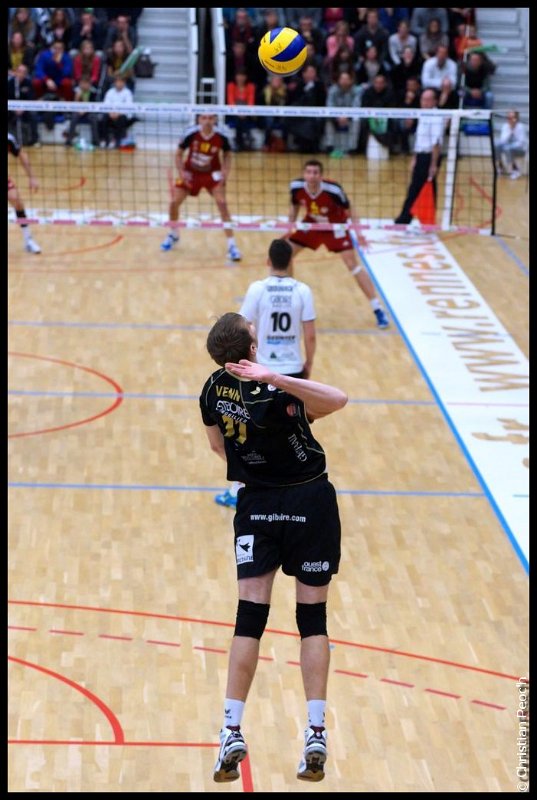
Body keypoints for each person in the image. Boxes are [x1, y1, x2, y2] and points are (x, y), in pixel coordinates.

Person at [200, 310, 348, 783]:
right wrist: (275, 377)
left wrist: (257, 462)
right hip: (309, 500)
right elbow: (338, 399)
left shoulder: (211, 390)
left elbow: (218, 447)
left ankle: (230, 729)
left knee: (249, 617)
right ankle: (316, 731)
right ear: (250, 348)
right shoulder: (280, 391)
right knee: (312, 619)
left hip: (257, 503)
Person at [214, 239, 317, 509]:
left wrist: (243, 364)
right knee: (292, 432)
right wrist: (308, 365)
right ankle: (292, 487)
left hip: (261, 371)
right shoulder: (302, 291)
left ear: (268, 261)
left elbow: (239, 330)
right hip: (292, 371)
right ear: (291, 262)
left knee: (249, 433)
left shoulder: (258, 289)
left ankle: (239, 490)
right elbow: (310, 335)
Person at [286, 160, 390, 329]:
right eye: (309, 172)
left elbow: (351, 211)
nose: (312, 176)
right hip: (313, 225)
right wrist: (289, 228)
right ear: (304, 174)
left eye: (315, 173)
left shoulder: (333, 190)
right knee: (286, 253)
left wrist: (359, 234)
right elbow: (294, 206)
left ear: (321, 175)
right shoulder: (296, 187)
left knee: (352, 264)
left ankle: (377, 308)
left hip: (336, 227)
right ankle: (290, 302)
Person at [160, 114, 242, 261]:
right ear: (199, 120)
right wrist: (182, 173)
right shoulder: (190, 133)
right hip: (190, 173)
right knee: (174, 202)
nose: (207, 121)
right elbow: (178, 155)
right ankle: (173, 233)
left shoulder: (222, 135)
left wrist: (225, 173)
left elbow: (228, 155)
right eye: (204, 118)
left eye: (210, 118)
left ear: (215, 119)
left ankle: (232, 245)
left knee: (222, 204)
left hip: (212, 174)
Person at [394, 87, 445, 225]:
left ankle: (406, 218)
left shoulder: (436, 117)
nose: (425, 102)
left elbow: (436, 143)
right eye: (423, 99)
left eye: (428, 99)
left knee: (418, 188)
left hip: (429, 157)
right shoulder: (422, 114)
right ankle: (424, 219)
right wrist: (415, 158)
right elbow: (420, 140)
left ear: (435, 101)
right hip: (421, 156)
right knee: (421, 187)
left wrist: (434, 164)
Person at [8, 131, 41, 254]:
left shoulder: (9, 138)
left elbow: (21, 154)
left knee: (17, 201)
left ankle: (28, 241)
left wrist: (32, 177)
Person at [496, 110, 527, 180]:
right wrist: (510, 129)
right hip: (507, 147)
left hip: (521, 150)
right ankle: (501, 167)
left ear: (516, 118)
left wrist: (510, 146)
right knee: (497, 146)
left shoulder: (520, 127)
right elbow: (502, 140)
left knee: (507, 148)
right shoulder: (505, 126)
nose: (510, 119)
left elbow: (521, 142)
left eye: (512, 117)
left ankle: (515, 170)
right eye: (508, 117)